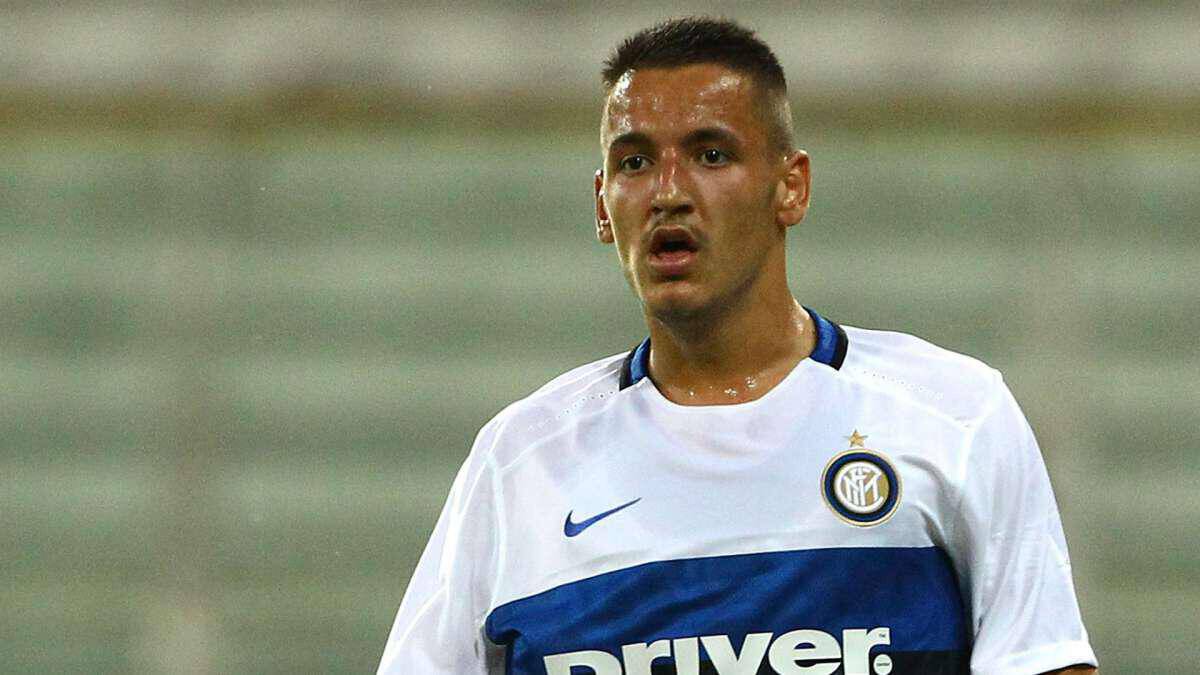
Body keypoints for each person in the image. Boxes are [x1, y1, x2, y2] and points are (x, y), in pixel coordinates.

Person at [377, 17, 1098, 675]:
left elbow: (1047, 659)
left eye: (710, 154)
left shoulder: (954, 418)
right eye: (634, 163)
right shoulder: (519, 463)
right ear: (602, 207)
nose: (667, 192)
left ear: (791, 186)